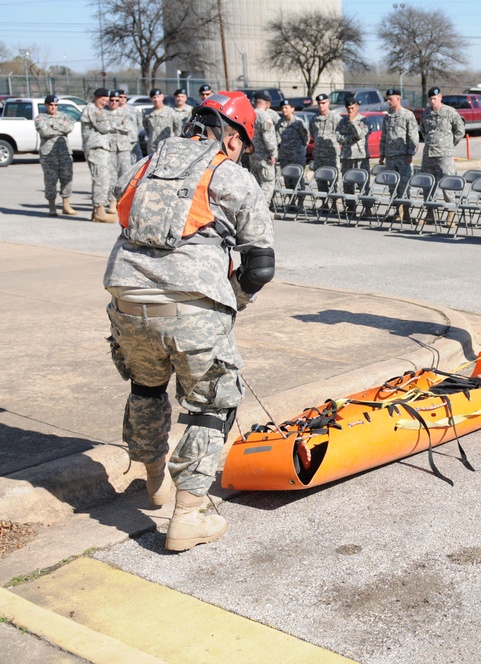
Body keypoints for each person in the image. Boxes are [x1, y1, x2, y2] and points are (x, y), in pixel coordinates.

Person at [104, 90, 274, 552]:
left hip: (127, 299)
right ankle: (187, 516)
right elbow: (259, 266)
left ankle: (154, 479)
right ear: (233, 136)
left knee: (146, 387)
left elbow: (121, 213)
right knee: (212, 404)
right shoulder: (229, 174)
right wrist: (230, 303)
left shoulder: (143, 165)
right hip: (192, 305)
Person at [419, 86, 465, 204]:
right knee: (427, 185)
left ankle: (451, 214)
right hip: (428, 154)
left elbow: (460, 130)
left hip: (444, 155)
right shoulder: (426, 113)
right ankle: (430, 212)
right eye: (431, 99)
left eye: (435, 98)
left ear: (440, 97)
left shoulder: (450, 112)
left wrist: (450, 144)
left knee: (447, 185)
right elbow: (423, 130)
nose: (432, 101)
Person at [34, 94, 77, 217]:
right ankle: (52, 207)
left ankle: (66, 205)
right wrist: (61, 127)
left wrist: (53, 125)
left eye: (55, 105)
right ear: (46, 105)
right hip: (48, 154)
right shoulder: (40, 118)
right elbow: (45, 132)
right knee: (50, 180)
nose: (53, 107)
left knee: (67, 178)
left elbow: (69, 128)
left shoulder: (65, 116)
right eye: (51, 105)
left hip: (64, 152)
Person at [80, 87, 116, 223]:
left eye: (106, 100)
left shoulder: (99, 110)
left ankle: (97, 211)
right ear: (95, 97)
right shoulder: (92, 110)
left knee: (104, 179)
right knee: (100, 179)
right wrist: (109, 123)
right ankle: (99, 210)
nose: (104, 103)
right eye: (102, 99)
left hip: (101, 149)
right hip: (96, 148)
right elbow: (104, 127)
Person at [379, 88, 418, 199]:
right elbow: (384, 137)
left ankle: (405, 213)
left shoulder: (407, 115)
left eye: (391, 99)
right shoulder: (387, 117)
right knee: (392, 187)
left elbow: (413, 136)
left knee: (404, 186)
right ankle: (397, 211)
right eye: (387, 99)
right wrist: (382, 155)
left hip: (403, 157)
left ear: (398, 98)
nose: (388, 102)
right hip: (390, 157)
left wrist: (410, 154)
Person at [250, 91, 279, 207]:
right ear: (267, 103)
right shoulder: (265, 116)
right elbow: (268, 137)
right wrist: (273, 153)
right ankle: (263, 209)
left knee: (256, 184)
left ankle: (254, 208)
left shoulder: (250, 114)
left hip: (253, 155)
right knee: (267, 184)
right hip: (264, 157)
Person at [336, 95, 370, 175]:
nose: (350, 111)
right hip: (346, 157)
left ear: (357, 107)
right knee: (348, 184)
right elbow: (338, 138)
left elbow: (360, 135)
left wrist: (352, 122)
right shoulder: (342, 121)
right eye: (348, 109)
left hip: (361, 157)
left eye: (352, 108)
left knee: (363, 184)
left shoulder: (364, 120)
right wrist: (351, 136)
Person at [309, 93, 339, 175]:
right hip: (318, 156)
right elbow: (312, 134)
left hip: (332, 156)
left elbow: (341, 135)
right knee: (320, 181)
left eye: (323, 103)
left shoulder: (336, 118)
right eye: (319, 103)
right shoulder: (314, 119)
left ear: (328, 102)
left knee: (333, 183)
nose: (321, 105)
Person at [144, 88, 182, 152]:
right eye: (154, 97)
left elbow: (178, 127)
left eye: (158, 97)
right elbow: (146, 128)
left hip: (168, 146)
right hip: (153, 147)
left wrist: (174, 140)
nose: (156, 100)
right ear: (151, 99)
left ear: (162, 97)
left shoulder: (171, 112)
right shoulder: (148, 114)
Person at [275, 98, 308, 170]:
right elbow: (278, 138)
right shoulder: (280, 122)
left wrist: (299, 150)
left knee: (298, 179)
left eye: (286, 108)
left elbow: (306, 139)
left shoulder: (299, 122)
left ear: (292, 109)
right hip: (285, 157)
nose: (284, 110)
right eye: (282, 108)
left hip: (297, 156)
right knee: (287, 179)